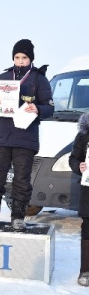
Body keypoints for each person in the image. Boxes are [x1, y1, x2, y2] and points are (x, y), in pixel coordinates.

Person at [0, 39, 54, 232]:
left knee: (22, 180)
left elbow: (50, 108)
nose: (20, 61)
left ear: (31, 59)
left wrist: (37, 108)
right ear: (13, 58)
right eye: (17, 57)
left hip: (25, 138)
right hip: (2, 137)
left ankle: (18, 218)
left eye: (24, 57)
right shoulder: (4, 76)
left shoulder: (39, 79)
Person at [69, 113, 89, 287]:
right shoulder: (84, 134)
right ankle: (85, 271)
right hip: (88, 190)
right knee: (88, 229)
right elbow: (73, 158)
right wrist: (79, 166)